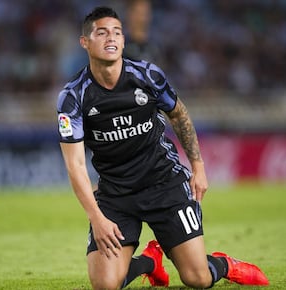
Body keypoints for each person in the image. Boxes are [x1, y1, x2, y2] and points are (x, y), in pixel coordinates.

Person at [57, 6, 269, 290]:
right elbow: (76, 165)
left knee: (197, 278)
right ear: (85, 42)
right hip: (115, 194)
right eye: (102, 32)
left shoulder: (147, 76)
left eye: (117, 32)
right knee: (105, 285)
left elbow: (179, 114)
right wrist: (97, 217)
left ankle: (223, 264)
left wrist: (198, 167)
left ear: (123, 40)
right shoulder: (73, 97)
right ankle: (149, 263)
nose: (111, 38)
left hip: (163, 183)